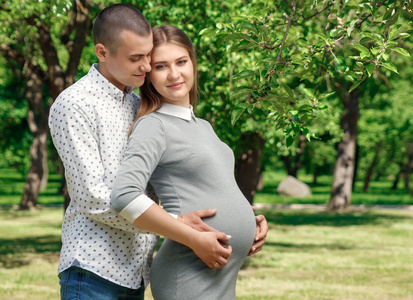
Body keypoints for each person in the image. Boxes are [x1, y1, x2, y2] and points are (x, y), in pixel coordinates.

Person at [50, 4, 267, 300]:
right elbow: (93, 198)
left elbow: (175, 179)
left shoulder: (136, 103)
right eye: (137, 58)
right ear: (102, 52)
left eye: (148, 56)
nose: (146, 66)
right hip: (94, 268)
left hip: (137, 269)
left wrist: (242, 216)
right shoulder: (75, 104)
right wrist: (178, 226)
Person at [111, 25, 264, 300]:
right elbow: (124, 196)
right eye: (161, 66)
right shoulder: (154, 125)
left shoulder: (203, 126)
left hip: (220, 274)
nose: (174, 74)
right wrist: (192, 237)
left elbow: (211, 188)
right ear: (148, 75)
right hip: (188, 269)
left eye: (181, 62)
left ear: (193, 62)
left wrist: (250, 221)